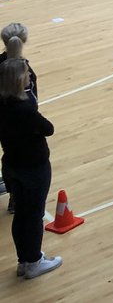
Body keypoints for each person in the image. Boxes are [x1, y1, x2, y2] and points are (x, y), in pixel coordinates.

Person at [0, 57, 61, 279]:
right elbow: (49, 128)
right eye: (26, 74)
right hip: (32, 168)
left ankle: (24, 260)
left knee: (21, 215)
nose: (29, 76)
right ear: (18, 80)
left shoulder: (2, 104)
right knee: (34, 215)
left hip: (11, 165)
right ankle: (34, 261)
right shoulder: (24, 108)